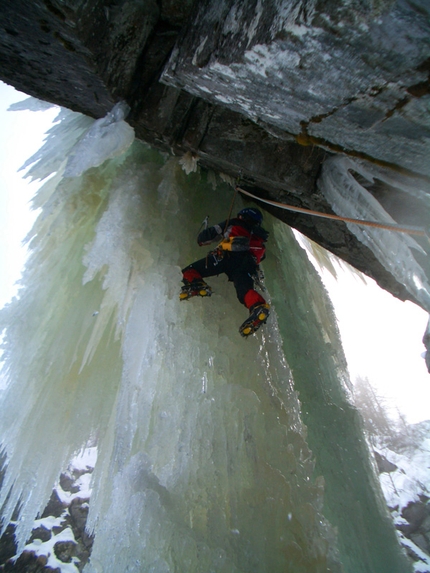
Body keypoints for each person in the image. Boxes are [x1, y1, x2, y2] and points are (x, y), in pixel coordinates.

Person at [180, 207, 270, 337]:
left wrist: (202, 237)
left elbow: (206, 237)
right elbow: (261, 257)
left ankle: (196, 284)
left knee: (189, 271)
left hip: (227, 256)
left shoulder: (235, 223)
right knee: (243, 291)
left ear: (242, 216)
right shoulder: (260, 242)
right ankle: (258, 306)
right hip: (246, 265)